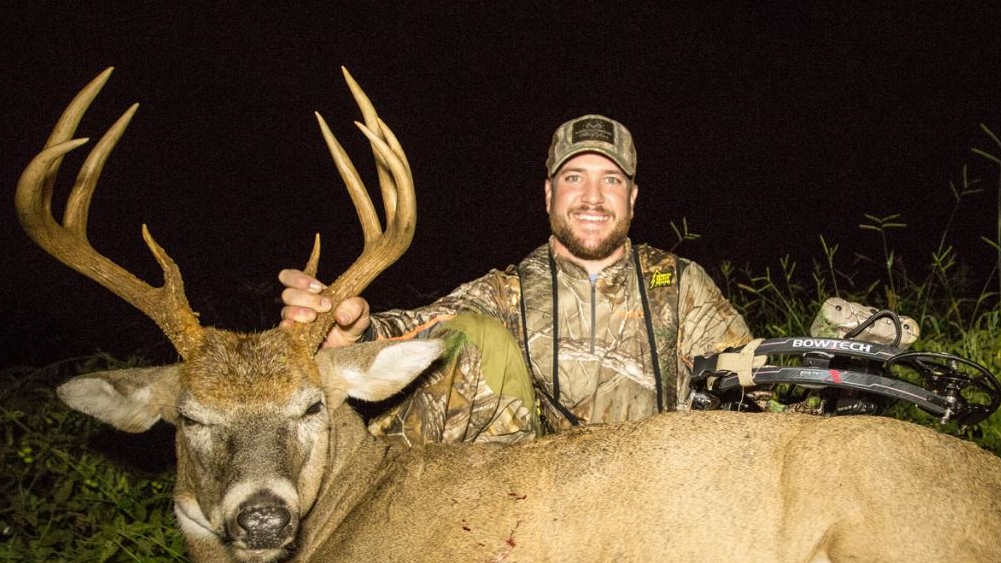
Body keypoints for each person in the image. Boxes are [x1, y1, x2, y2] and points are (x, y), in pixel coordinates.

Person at [281, 114, 753, 445]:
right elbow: (419, 327)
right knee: (468, 339)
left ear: (632, 197)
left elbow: (752, 387)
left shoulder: (681, 285)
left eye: (610, 180)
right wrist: (356, 332)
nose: (592, 197)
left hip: (650, 499)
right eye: (574, 178)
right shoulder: (510, 292)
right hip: (534, 504)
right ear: (549, 194)